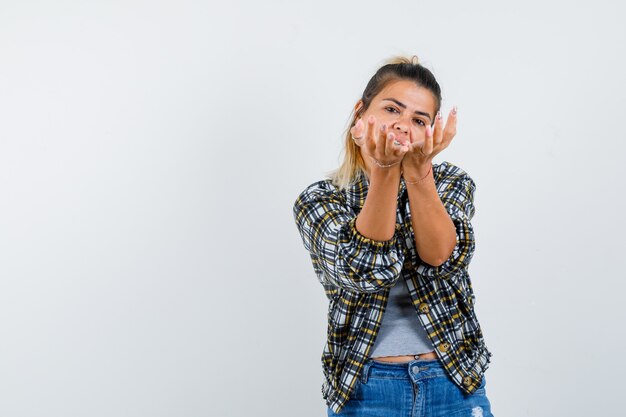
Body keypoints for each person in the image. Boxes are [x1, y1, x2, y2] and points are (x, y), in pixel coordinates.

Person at [293, 55, 494, 416]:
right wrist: (384, 171)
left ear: (432, 134)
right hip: (368, 391)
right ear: (360, 115)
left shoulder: (451, 183)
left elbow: (441, 258)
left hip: (453, 382)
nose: (403, 125)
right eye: (391, 109)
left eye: (419, 120)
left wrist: (418, 174)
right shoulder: (320, 199)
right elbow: (364, 270)